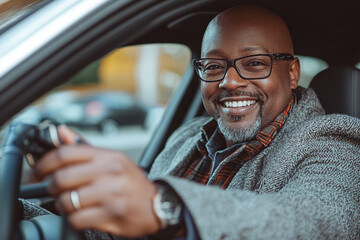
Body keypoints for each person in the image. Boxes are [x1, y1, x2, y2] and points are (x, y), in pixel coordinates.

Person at [22, 4, 360, 240]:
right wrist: (23, 211)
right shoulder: (187, 136)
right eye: (213, 67)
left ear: (292, 73)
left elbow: (313, 223)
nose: (229, 82)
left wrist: (164, 208)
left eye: (255, 63)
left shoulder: (333, 141)